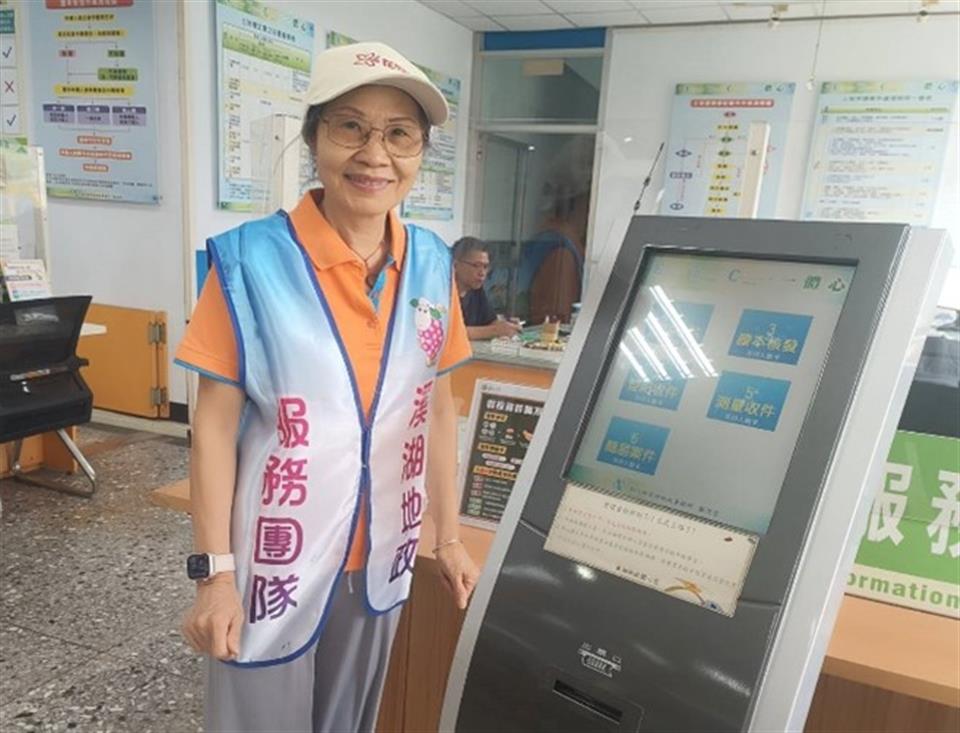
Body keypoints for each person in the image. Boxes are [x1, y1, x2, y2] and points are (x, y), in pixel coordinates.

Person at [174, 41, 479, 733]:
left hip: (382, 558)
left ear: (420, 152)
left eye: (399, 134)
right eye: (350, 127)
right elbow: (212, 428)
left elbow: (435, 408)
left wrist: (449, 537)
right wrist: (215, 575)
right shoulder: (249, 262)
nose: (375, 154)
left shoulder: (433, 265)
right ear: (315, 138)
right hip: (273, 561)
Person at [452, 236, 522, 340]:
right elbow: (450, 333)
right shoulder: (442, 293)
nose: (482, 273)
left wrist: (507, 326)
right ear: (456, 265)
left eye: (485, 267)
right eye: (476, 265)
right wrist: (495, 330)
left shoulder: (476, 291)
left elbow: (489, 322)